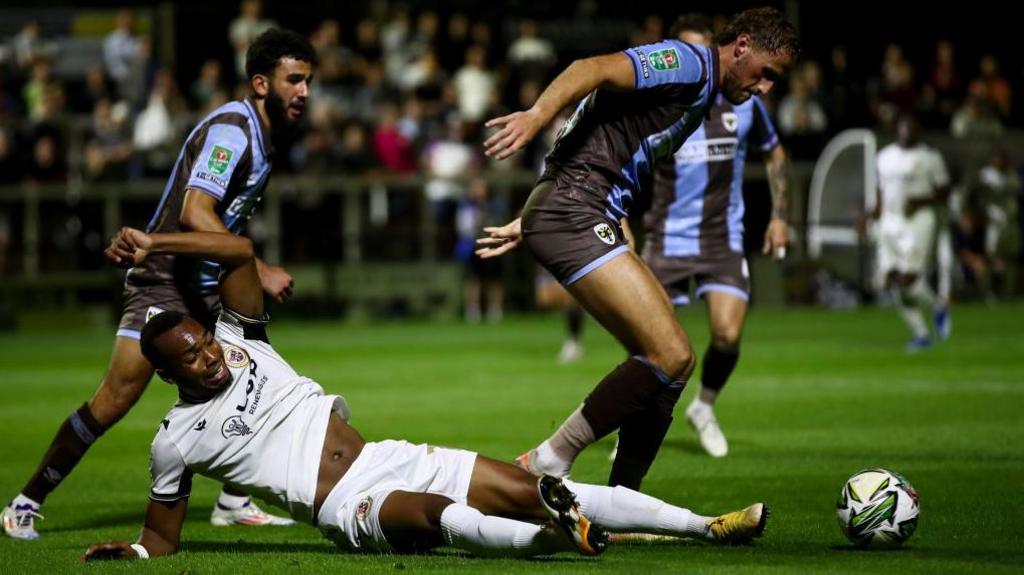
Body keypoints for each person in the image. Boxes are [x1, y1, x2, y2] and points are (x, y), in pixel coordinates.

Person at [81, 226, 769, 561]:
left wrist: (157, 242)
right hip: (349, 505)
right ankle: (553, 541)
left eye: (203, 340)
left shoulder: (244, 339)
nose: (207, 357)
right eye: (190, 359)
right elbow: (162, 535)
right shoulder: (176, 438)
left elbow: (236, 246)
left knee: (537, 484)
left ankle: (707, 524)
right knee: (437, 515)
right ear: (167, 377)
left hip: (390, 453)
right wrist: (136, 552)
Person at [2, 29, 315, 540]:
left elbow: (224, 221)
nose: (304, 91)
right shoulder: (234, 131)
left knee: (253, 377)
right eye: (294, 80)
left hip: (204, 285)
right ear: (261, 83)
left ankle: (234, 502)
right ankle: (25, 502)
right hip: (164, 282)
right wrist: (258, 269)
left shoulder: (264, 135)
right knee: (116, 398)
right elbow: (195, 213)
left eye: (308, 81)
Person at [477, 7, 798, 490]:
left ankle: (621, 502)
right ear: (742, 45)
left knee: (668, 367)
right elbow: (593, 69)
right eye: (767, 73)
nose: (765, 88)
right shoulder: (690, 63)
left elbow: (598, 129)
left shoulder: (707, 90)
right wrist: (537, 116)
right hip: (576, 209)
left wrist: (534, 216)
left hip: (574, 208)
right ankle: (549, 460)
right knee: (670, 354)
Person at [637, 14, 791, 458]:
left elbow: (776, 154)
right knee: (652, 345)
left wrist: (780, 215)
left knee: (726, 335)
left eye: (698, 50)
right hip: (666, 239)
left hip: (723, 238)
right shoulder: (659, 104)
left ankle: (703, 408)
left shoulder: (746, 105)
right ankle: (640, 423)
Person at [872, 114, 952, 351]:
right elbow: (880, 191)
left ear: (919, 132)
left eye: (912, 128)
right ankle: (923, 331)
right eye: (904, 126)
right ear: (898, 129)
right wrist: (872, 214)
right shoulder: (884, 156)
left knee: (908, 278)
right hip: (889, 222)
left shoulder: (930, 158)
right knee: (892, 279)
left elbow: (945, 191)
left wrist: (921, 200)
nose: (907, 132)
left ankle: (937, 307)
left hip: (918, 222)